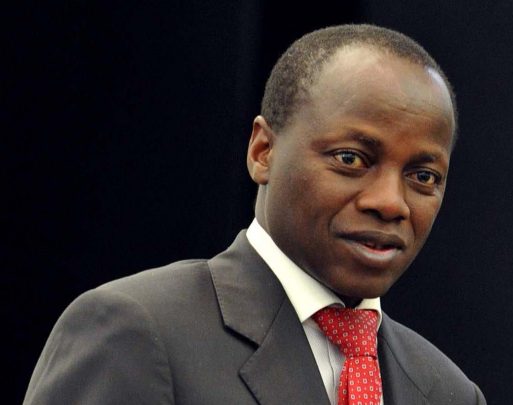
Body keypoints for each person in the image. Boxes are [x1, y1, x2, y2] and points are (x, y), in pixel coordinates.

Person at [25, 24, 486, 404]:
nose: (390, 203)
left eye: (423, 176)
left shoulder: (449, 392)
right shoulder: (139, 333)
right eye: (350, 159)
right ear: (263, 151)